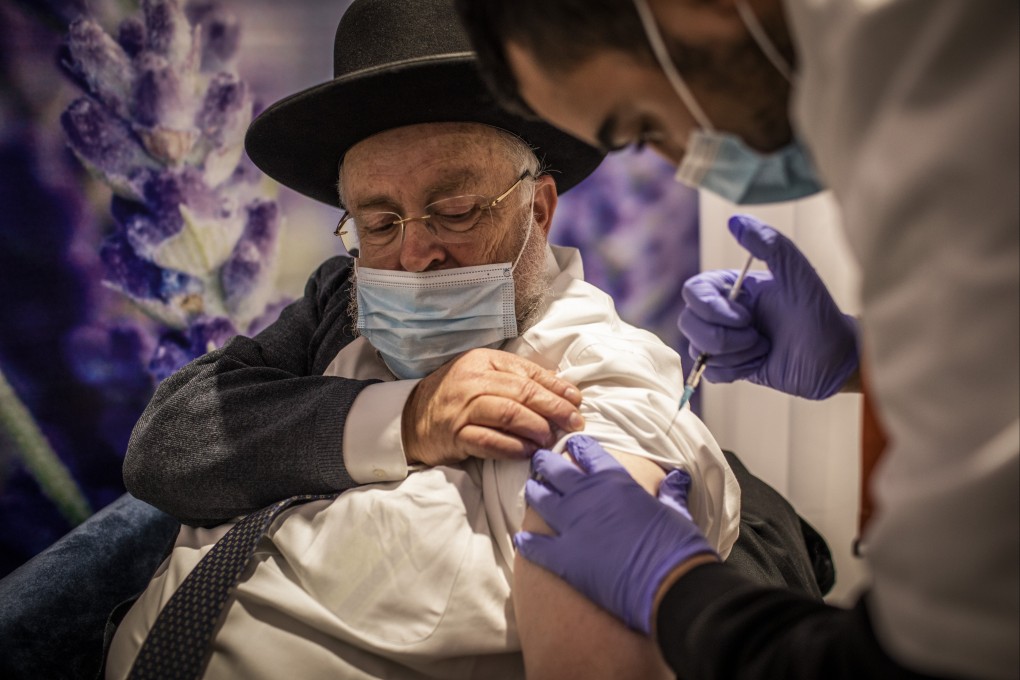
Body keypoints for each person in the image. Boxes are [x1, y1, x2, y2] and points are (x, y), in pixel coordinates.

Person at [105, 1, 783, 677]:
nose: (413, 254)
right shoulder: (341, 303)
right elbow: (169, 443)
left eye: (456, 212)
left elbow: (600, 597)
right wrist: (409, 417)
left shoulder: (592, 371)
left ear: (538, 210)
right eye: (379, 223)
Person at [455, 1, 1019, 679]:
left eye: (643, 126)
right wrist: (855, 355)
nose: (680, 162)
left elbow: (937, 661)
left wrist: (671, 583)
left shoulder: (934, 73)